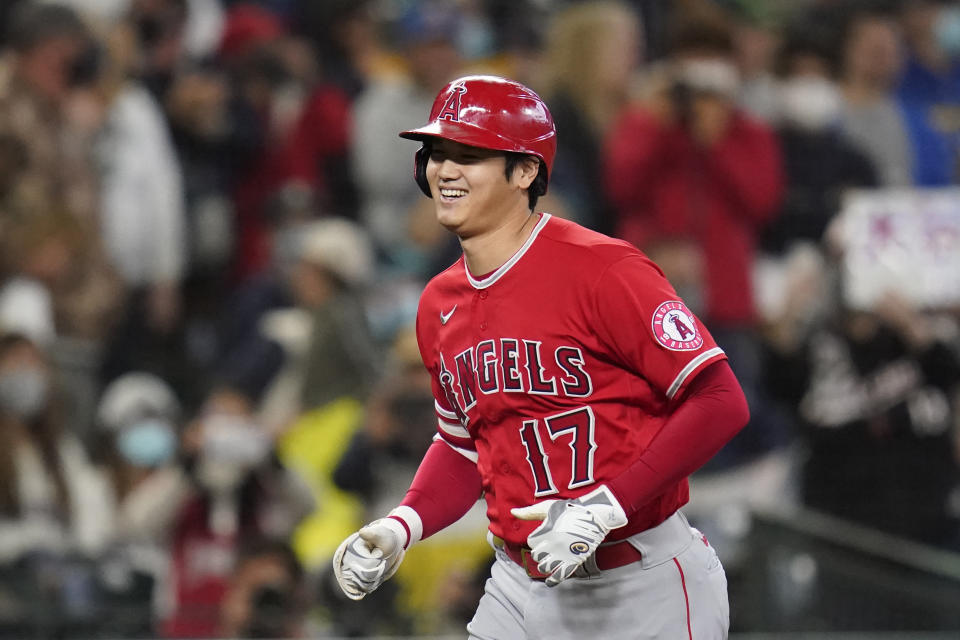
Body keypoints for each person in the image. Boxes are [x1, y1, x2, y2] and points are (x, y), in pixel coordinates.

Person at [332, 75, 750, 639]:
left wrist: (608, 506)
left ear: (526, 170)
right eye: (436, 153)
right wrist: (402, 524)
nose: (445, 170)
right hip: (517, 583)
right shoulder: (438, 303)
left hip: (639, 583)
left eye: (470, 154)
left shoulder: (604, 269)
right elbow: (463, 446)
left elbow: (722, 400)